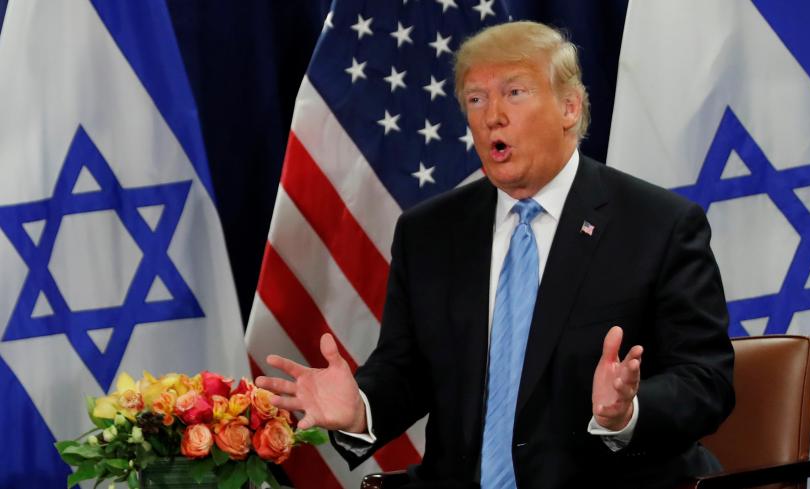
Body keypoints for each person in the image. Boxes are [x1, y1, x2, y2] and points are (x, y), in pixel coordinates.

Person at [256, 21, 734, 489]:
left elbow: (706, 379)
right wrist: (360, 407)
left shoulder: (657, 225)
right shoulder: (429, 233)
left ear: (570, 107)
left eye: (514, 93)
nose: (492, 116)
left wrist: (627, 411)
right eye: (476, 99)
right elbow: (407, 369)